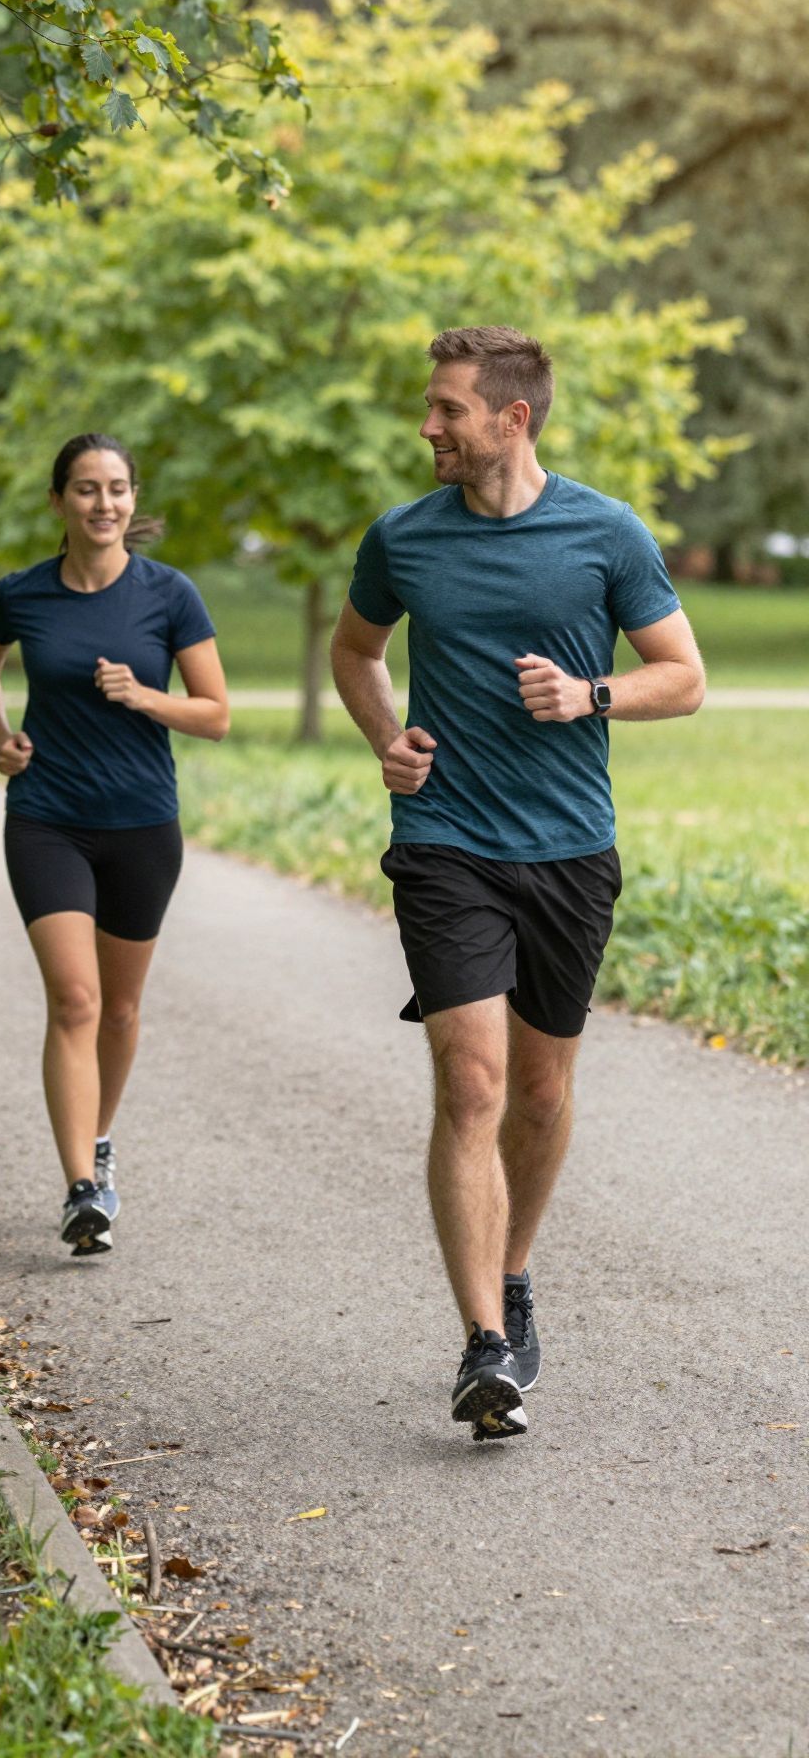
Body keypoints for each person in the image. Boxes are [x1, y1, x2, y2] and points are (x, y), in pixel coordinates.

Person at [330, 326, 705, 1440]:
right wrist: (386, 738)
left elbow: (683, 677)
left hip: (571, 849)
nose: (428, 426)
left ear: (512, 418)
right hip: (445, 840)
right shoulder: (402, 537)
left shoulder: (604, 531)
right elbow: (356, 652)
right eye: (430, 405)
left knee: (540, 1093)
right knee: (475, 1083)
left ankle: (518, 1267)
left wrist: (590, 696)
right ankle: (486, 1342)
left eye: (446, 407)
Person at [0, 434, 230, 1256]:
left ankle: (99, 1140)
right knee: (75, 999)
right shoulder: (21, 595)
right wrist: (2, 738)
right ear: (59, 503)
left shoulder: (169, 595)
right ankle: (82, 1185)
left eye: (116, 489)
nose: (103, 504)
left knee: (119, 1008)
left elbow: (215, 713)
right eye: (86, 489)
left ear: (132, 500)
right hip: (48, 816)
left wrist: (147, 697)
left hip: (144, 823)